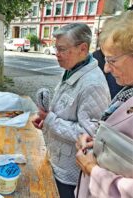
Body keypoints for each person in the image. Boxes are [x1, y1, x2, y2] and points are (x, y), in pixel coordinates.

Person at [32, 23, 110, 198]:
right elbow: (66, 110)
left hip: (70, 172)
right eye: (56, 48)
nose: (56, 54)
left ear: (82, 49)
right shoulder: (73, 69)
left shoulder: (93, 84)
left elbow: (90, 135)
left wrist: (50, 119)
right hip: (58, 159)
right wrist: (46, 121)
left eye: (62, 49)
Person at [76, 11, 133, 198]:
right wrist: (100, 143)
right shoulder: (128, 90)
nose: (106, 68)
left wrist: (93, 170)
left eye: (112, 60)